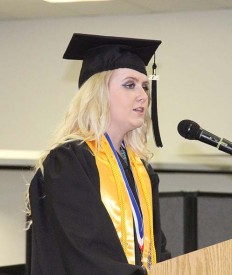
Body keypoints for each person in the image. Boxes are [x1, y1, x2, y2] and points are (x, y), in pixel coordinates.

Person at [28, 33, 171, 275]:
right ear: (98, 93)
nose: (143, 96)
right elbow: (84, 252)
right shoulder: (68, 163)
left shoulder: (140, 169)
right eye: (130, 85)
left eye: (145, 86)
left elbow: (156, 247)